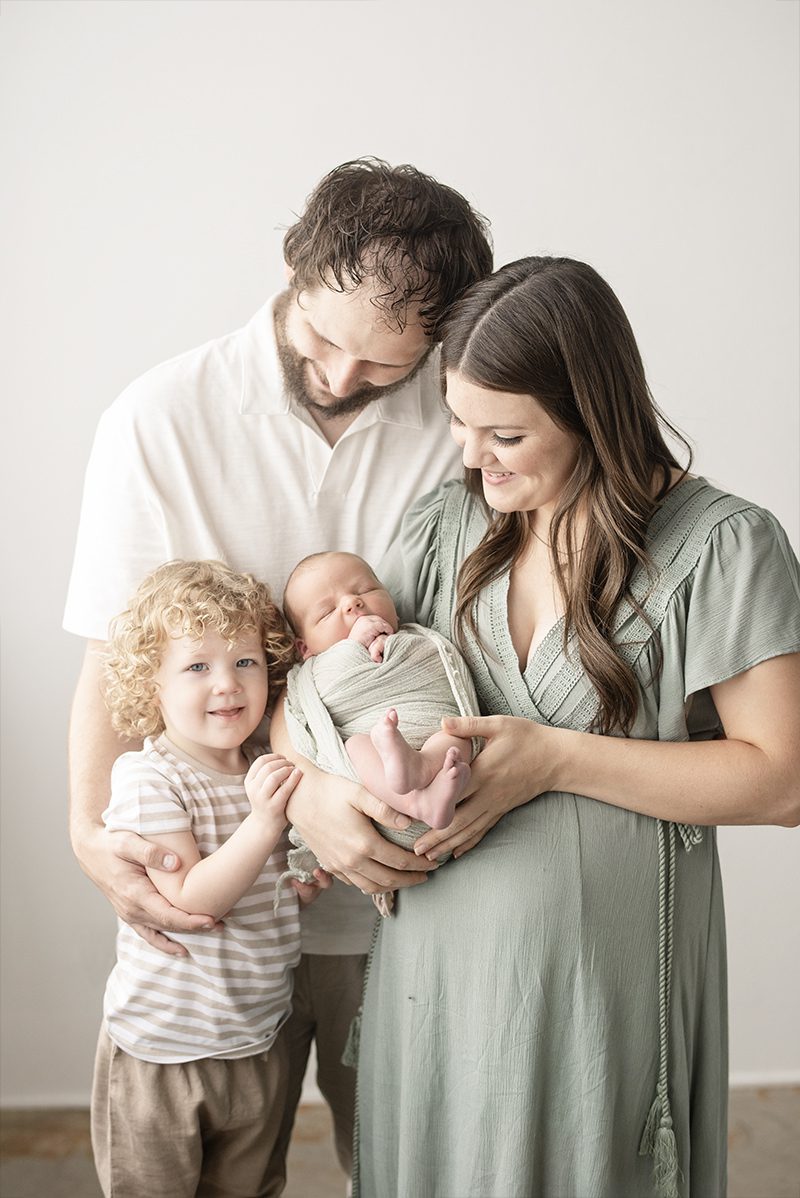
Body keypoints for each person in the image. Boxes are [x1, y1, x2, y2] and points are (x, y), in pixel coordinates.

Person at [272, 257, 800, 1198]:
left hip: (597, 1000)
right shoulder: (445, 528)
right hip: (430, 986)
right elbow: (323, 693)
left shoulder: (724, 545)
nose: (473, 458)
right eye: (459, 425)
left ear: (591, 410)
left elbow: (782, 780)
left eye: (505, 432)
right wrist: (310, 792)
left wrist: (554, 758)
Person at [64, 157, 493, 1188]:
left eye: (385, 365)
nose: (342, 377)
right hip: (214, 895)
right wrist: (87, 834)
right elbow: (110, 662)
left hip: (404, 898)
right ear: (293, 270)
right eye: (321, 342)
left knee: (403, 1164)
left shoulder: (460, 424)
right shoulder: (158, 418)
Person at [92, 559, 329, 1197]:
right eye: (197, 666)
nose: (227, 684)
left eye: (246, 662)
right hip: (165, 1051)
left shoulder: (262, 763)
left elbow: (269, 879)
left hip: (256, 1038)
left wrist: (298, 878)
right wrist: (263, 822)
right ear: (151, 684)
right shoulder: (150, 778)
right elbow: (191, 901)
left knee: (248, 1188)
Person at [282, 551, 477, 832]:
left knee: (458, 735)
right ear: (305, 649)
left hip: (432, 739)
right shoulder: (316, 670)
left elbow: (439, 666)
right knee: (356, 747)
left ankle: (421, 767)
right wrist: (353, 649)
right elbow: (323, 696)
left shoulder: (417, 638)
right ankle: (417, 803)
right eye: (326, 612)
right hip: (375, 767)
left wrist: (393, 647)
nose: (352, 603)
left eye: (366, 590)